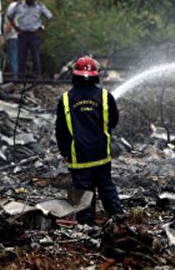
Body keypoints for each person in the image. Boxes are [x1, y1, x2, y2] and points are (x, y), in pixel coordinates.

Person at [55, 56, 123, 225]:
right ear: (96, 75)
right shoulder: (106, 97)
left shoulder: (65, 99)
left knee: (83, 191)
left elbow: (61, 130)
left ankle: (87, 225)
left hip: (78, 156)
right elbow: (113, 121)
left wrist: (64, 152)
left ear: (74, 75)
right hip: (101, 154)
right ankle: (118, 218)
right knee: (106, 187)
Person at [8, 0, 53, 78]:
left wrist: (42, 28)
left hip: (34, 34)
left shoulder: (39, 6)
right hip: (23, 33)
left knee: (36, 56)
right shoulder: (19, 5)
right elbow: (9, 16)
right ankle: (21, 77)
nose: (32, 0)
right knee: (21, 57)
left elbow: (50, 16)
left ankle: (37, 77)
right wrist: (16, 28)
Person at [4, 0, 20, 77]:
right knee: (17, 57)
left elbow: (9, 23)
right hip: (19, 35)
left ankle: (15, 77)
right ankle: (18, 76)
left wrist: (4, 34)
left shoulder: (11, 7)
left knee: (12, 57)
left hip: (12, 35)